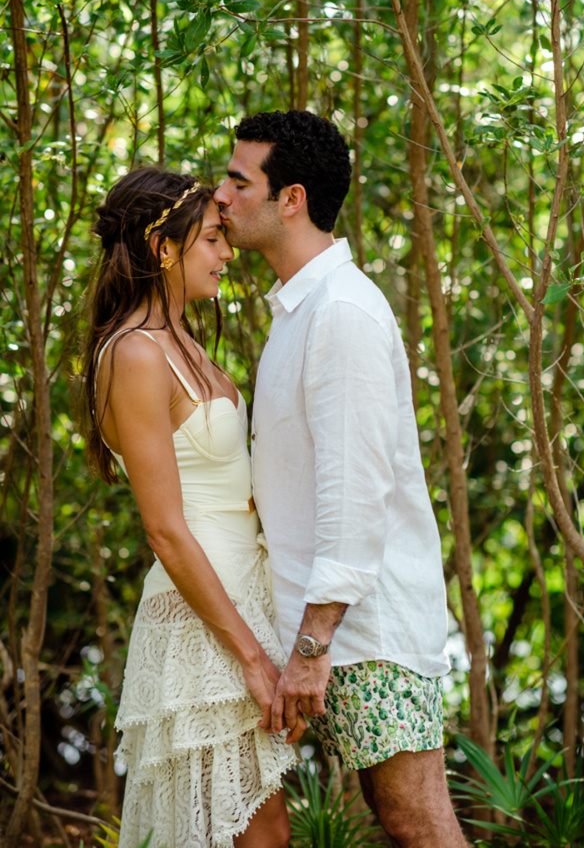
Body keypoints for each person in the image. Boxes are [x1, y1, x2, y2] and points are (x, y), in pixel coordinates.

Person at [214, 110, 470, 848]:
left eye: (238, 181)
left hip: (367, 631)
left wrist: (311, 647)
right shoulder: (301, 309)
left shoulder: (343, 312)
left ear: (289, 198)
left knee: (416, 820)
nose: (221, 198)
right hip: (330, 629)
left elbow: (357, 495)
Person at [82, 166, 303, 848]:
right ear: (162, 246)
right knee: (259, 836)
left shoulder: (184, 345)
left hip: (240, 606)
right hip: (204, 628)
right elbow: (165, 529)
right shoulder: (135, 355)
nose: (228, 253)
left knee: (253, 833)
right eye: (212, 238)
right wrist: (248, 656)